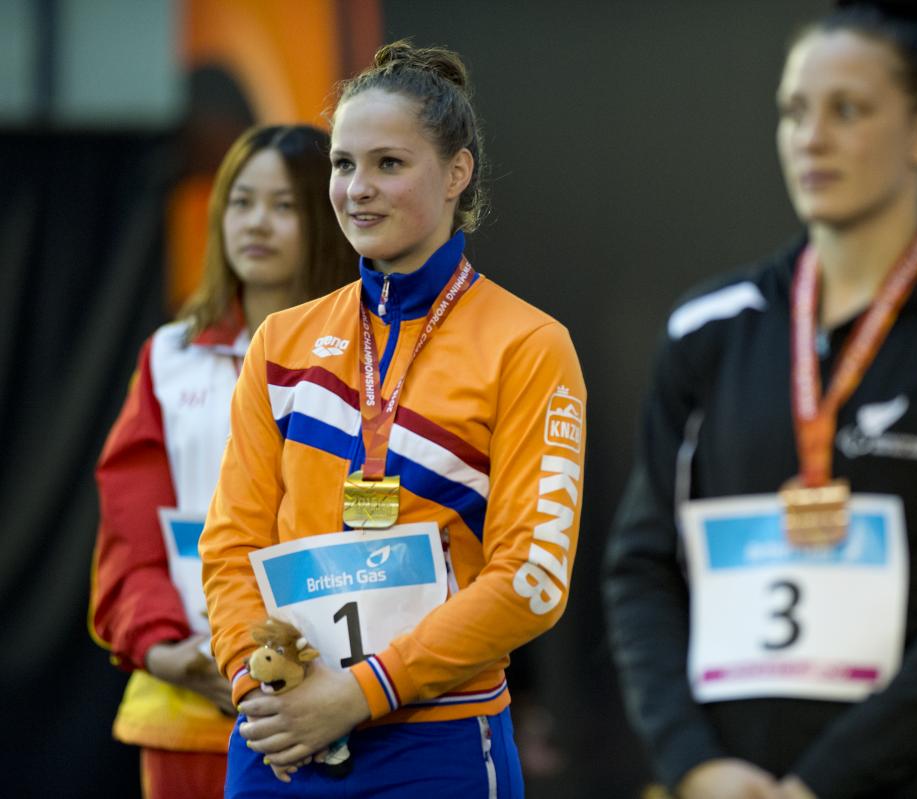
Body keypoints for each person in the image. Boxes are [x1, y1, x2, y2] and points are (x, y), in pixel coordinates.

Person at [604, 2, 917, 798]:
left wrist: (823, 780)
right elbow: (642, 566)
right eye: (793, 111)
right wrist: (693, 762)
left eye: (846, 111)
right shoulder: (707, 329)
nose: (809, 138)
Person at [199, 40, 586, 798]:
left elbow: (531, 578)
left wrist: (360, 691)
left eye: (388, 164)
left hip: (435, 739)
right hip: (282, 735)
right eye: (344, 165)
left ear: (456, 173)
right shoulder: (282, 342)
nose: (357, 190)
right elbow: (232, 544)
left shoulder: (530, 344)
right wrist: (255, 681)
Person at [89, 124, 359, 799]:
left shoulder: (375, 357)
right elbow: (131, 534)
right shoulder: (170, 354)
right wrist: (161, 649)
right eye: (240, 201)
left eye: (285, 205)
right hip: (188, 700)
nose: (256, 223)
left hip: (335, 705)